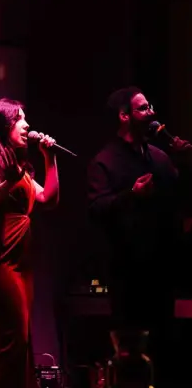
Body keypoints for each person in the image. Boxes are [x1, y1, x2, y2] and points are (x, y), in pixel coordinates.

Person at [87, 86, 192, 386]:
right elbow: (96, 209)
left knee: (164, 350)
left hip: (163, 271)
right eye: (143, 108)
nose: (152, 113)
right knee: (132, 357)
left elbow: (180, 200)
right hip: (128, 275)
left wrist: (185, 162)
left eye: (150, 106)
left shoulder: (160, 157)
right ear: (124, 116)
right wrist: (131, 195)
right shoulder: (104, 161)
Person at [0, 98, 59, 388]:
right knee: (12, 340)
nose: (27, 125)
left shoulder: (18, 165)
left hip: (20, 260)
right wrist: (12, 181)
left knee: (22, 341)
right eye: (19, 119)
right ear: (3, 125)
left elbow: (48, 199)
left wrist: (50, 159)